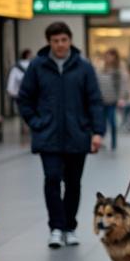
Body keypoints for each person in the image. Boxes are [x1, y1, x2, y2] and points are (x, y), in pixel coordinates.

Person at [17, 21, 105, 249]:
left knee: (73, 183)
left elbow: (94, 101)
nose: (60, 45)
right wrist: (37, 123)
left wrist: (97, 132)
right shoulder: (37, 66)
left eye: (64, 40)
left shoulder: (84, 67)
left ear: (70, 40)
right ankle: (56, 228)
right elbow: (24, 98)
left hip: (77, 134)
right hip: (48, 136)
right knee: (52, 179)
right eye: (55, 41)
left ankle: (70, 227)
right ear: (49, 42)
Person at [96, 49, 125, 151]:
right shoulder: (100, 69)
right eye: (107, 56)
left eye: (111, 56)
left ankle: (113, 143)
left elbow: (121, 85)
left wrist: (120, 98)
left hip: (112, 101)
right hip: (101, 101)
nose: (108, 58)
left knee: (112, 122)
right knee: (101, 123)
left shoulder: (117, 71)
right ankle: (101, 140)